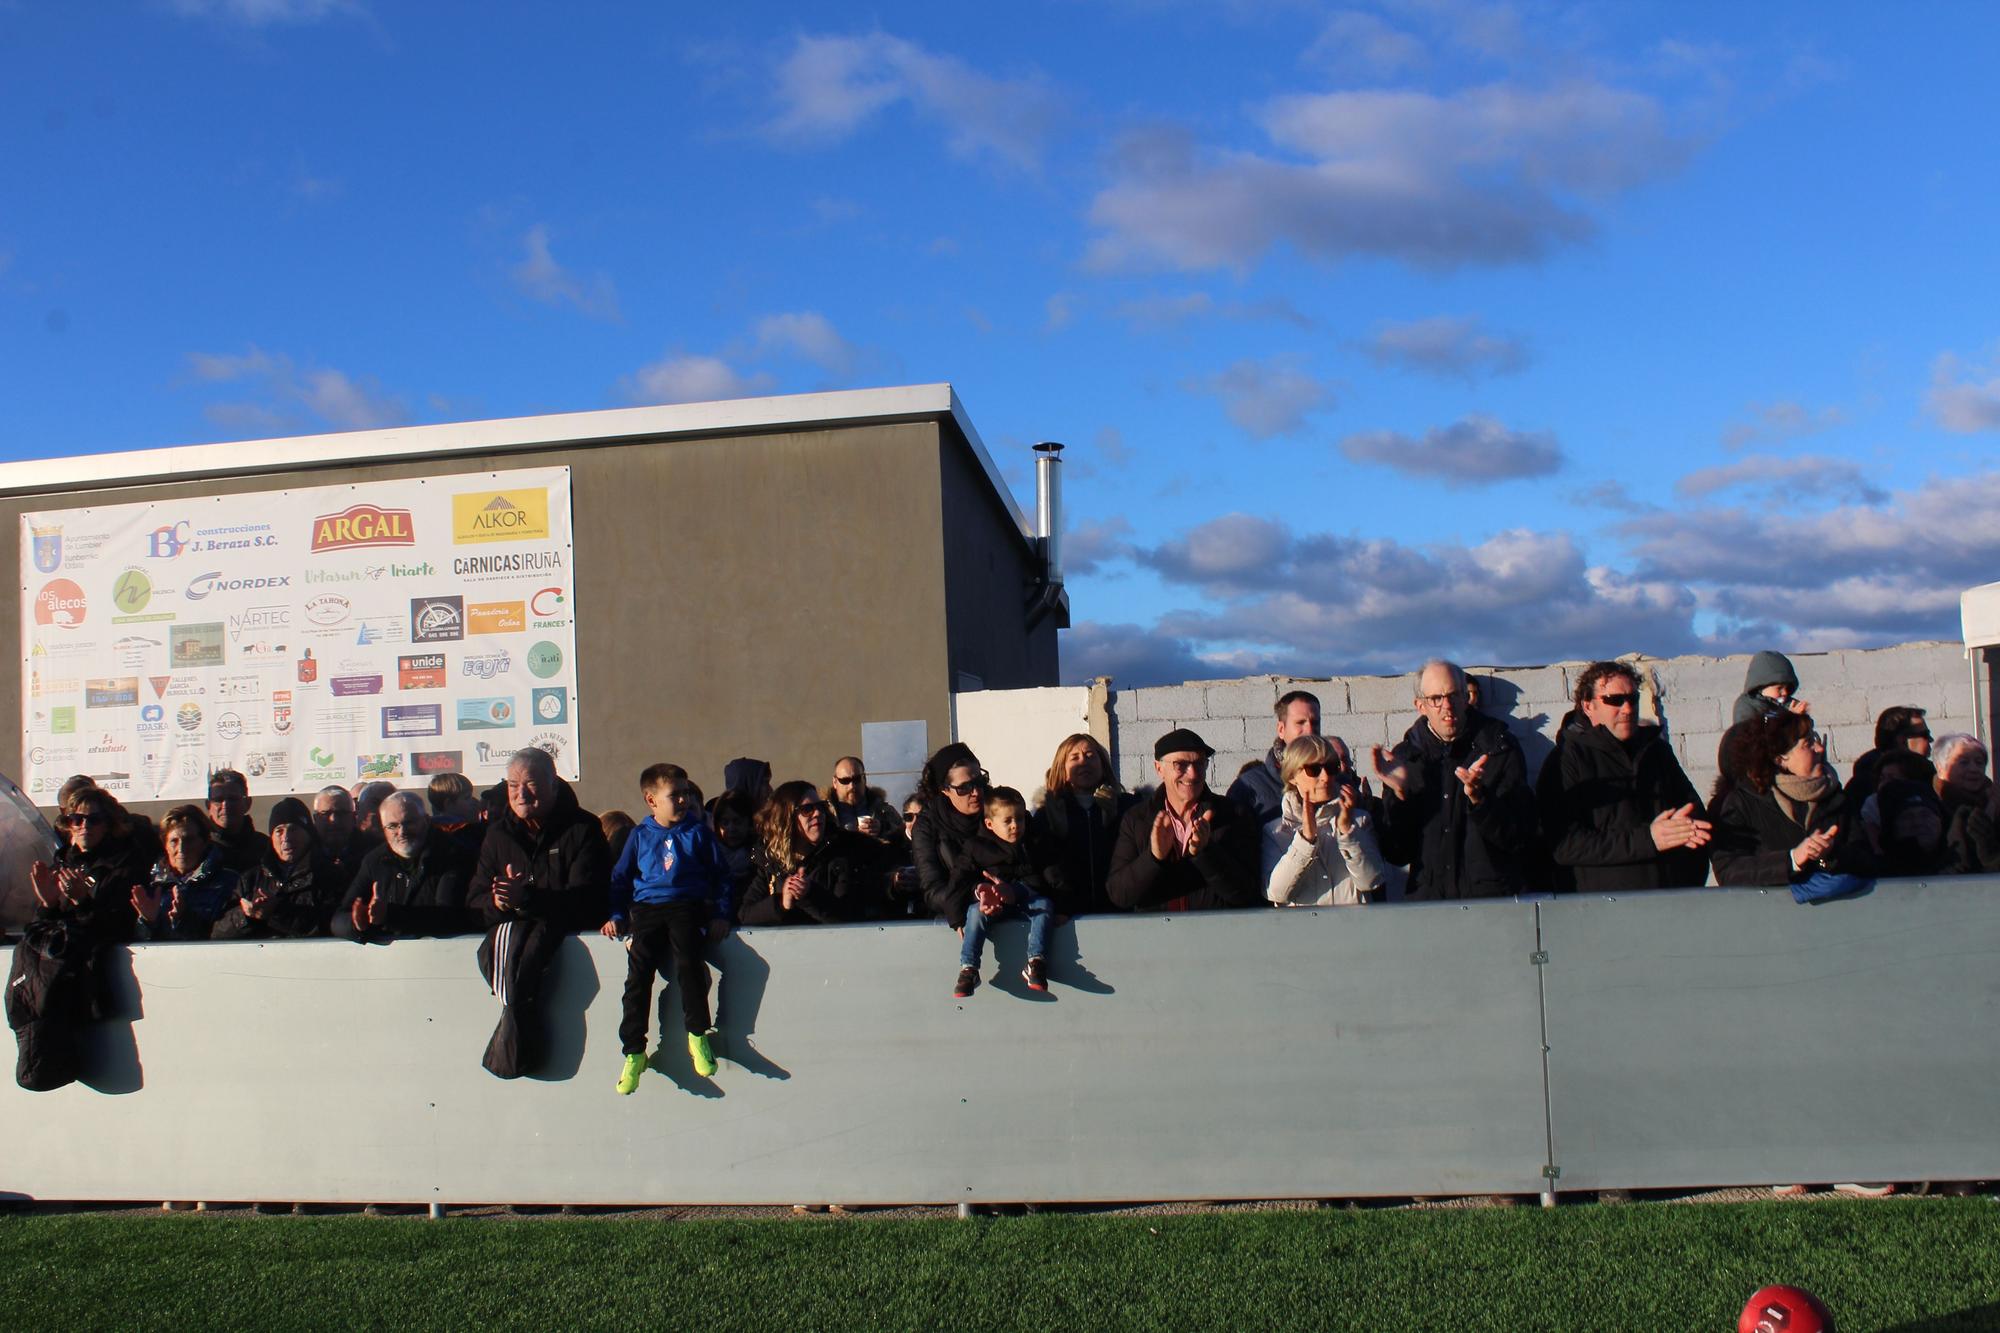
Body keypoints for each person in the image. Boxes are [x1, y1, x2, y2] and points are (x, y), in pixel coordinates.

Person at [467, 747, 609, 1078]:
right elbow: (474, 902)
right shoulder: (498, 834)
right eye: (513, 784)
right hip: (512, 949)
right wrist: (500, 904)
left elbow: (589, 901)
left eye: (530, 783)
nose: (520, 793)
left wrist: (526, 899)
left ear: (553, 786)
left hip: (569, 958)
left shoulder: (582, 828)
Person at [603, 764, 733, 1094]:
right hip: (647, 910)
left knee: (689, 963)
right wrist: (617, 914)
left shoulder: (698, 833)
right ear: (651, 800)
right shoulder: (639, 836)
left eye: (686, 793)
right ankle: (634, 1052)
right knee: (638, 975)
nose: (684, 800)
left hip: (686, 905)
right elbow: (619, 880)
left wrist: (720, 913)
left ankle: (697, 1035)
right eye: (674, 795)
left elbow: (721, 876)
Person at [1373, 659, 1538, 900]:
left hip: (1491, 903)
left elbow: (1519, 837)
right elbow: (1397, 853)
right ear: (1420, 705)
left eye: (1453, 695)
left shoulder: (1498, 749)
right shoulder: (1405, 759)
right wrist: (1401, 797)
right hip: (1431, 907)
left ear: (1466, 698)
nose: (1446, 706)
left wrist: (1480, 800)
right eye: (1435, 699)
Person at [1543, 662, 1711, 892]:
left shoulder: (1656, 751)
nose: (1627, 708)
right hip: (1604, 909)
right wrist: (1648, 840)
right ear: (1588, 705)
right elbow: (1565, 845)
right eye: (1614, 700)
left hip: (1672, 901)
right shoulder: (1565, 760)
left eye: (1633, 699)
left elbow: (1693, 813)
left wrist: (1686, 850)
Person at [1105, 728, 1261, 912]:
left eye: (1200, 763)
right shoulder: (1136, 819)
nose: (1193, 774)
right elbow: (1119, 895)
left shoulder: (1233, 815)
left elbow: (1246, 893)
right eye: (1181, 765)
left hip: (1218, 934)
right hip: (1157, 936)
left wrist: (1206, 853)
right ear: (1159, 768)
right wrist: (1153, 858)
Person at [1709, 715, 1872, 888]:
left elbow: (1867, 860)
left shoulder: (1835, 796)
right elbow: (1729, 871)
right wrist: (1792, 859)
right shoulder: (1743, 801)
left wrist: (1830, 855)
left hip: (1837, 911)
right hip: (1771, 911)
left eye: (1815, 739)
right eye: (1808, 743)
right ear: (1780, 759)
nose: (1820, 749)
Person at [947, 787, 1065, 996]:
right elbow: (958, 882)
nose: (1015, 826)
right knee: (975, 913)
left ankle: (1036, 962)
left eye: (1020, 819)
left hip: (1026, 899)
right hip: (990, 904)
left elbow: (1051, 877)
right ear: (990, 824)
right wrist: (958, 917)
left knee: (1044, 905)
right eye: (1008, 820)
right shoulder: (976, 847)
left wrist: (1016, 891)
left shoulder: (1034, 843)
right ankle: (969, 968)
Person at [1264, 734, 1388, 907]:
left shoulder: (1359, 820)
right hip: (1302, 931)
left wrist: (1346, 831)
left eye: (1331, 767)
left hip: (1355, 928)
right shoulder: (1276, 831)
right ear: (1292, 775)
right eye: (1313, 769)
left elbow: (1372, 881)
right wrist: (1305, 840)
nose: (1325, 777)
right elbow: (1276, 893)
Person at [334, 792, 475, 942]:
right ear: (383, 829)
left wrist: (390, 916)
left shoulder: (454, 855)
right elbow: (339, 919)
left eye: (409, 823)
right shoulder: (374, 861)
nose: (402, 832)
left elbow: (449, 917)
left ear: (426, 821)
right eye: (392, 826)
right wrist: (357, 923)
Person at [738, 781, 881, 925]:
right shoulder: (770, 859)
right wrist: (782, 902)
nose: (818, 813)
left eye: (821, 807)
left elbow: (850, 916)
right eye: (807, 809)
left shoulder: (841, 853)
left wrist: (809, 894)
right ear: (787, 818)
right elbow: (745, 915)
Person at [29, 786, 152, 940]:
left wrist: (82, 901)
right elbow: (38, 939)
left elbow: (117, 931)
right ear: (69, 824)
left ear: (108, 824)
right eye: (77, 819)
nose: (85, 826)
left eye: (94, 820)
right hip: (59, 962)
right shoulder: (61, 864)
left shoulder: (125, 867)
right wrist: (49, 905)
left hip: (97, 961)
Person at [1032, 733, 1136, 916]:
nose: (1084, 762)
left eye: (1090, 756)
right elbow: (1043, 866)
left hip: (1120, 915)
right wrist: (1058, 833)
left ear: (1102, 765)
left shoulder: (1128, 807)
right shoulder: (1046, 814)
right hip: (1067, 917)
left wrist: (1111, 822)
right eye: (1074, 758)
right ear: (1062, 769)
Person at [214, 797, 344, 939]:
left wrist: (277, 912)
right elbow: (218, 935)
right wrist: (245, 916)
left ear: (308, 834)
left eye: (293, 829)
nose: (286, 838)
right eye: (279, 831)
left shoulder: (331, 876)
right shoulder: (250, 879)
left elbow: (332, 927)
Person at [130, 806, 240, 940]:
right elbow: (137, 947)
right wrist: (147, 922)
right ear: (164, 844)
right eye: (174, 841)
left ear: (204, 842)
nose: (182, 848)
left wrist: (185, 918)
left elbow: (227, 937)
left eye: (190, 839)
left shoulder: (229, 883)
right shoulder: (150, 886)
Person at [912, 743, 988, 919]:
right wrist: (975, 896)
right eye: (964, 788)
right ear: (945, 790)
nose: (976, 792)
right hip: (955, 917)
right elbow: (932, 890)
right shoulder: (927, 826)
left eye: (980, 782)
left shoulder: (1000, 809)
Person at [1227, 691, 1321, 827]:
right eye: (1300, 723)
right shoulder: (1248, 786)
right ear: (1281, 729)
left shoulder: (1334, 782)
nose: (1310, 730)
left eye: (1315, 723)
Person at [1848, 707, 1933, 805]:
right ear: (1902, 740)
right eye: (1925, 734)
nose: (1931, 739)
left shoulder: (1928, 777)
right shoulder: (1863, 789)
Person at [826, 757, 904, 850]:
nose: (852, 786)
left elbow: (905, 835)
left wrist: (882, 828)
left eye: (857, 779)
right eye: (845, 781)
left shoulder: (883, 810)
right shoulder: (824, 813)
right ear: (835, 782)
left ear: (864, 779)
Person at [204, 769, 270, 876]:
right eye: (218, 800)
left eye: (233, 799)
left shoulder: (266, 848)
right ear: (208, 805)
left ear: (247, 803)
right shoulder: (198, 848)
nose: (225, 805)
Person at [1731, 651, 1809, 726]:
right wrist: (1789, 719)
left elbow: (1808, 728)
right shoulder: (1746, 706)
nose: (1785, 692)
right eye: (1779, 688)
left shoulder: (1789, 705)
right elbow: (1749, 735)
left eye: (1787, 688)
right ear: (1761, 686)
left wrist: (1802, 718)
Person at [312, 785, 363, 879]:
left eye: (341, 813)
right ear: (315, 819)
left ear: (354, 817)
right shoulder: (303, 854)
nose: (334, 820)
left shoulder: (371, 854)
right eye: (325, 814)